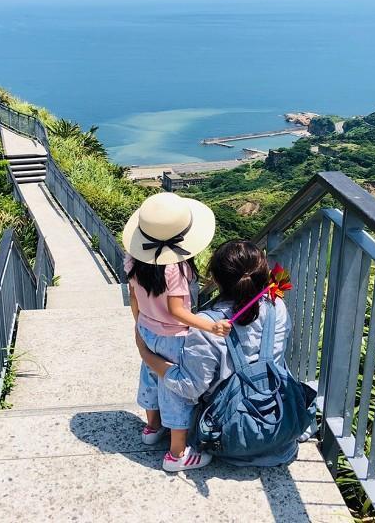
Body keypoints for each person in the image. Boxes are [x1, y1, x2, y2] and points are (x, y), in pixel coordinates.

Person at [136, 240, 298, 467]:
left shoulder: (207, 326)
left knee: (171, 377)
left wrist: (148, 356)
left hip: (231, 433)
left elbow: (188, 387)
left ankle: (171, 445)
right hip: (280, 421)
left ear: (215, 278)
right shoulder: (276, 306)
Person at [122, 192, 227, 472]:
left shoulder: (133, 260)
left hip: (147, 327)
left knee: (151, 376)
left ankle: (152, 428)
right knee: (176, 388)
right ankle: (177, 454)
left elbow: (133, 297)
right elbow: (177, 312)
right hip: (173, 338)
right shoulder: (174, 268)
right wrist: (211, 326)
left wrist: (139, 325)